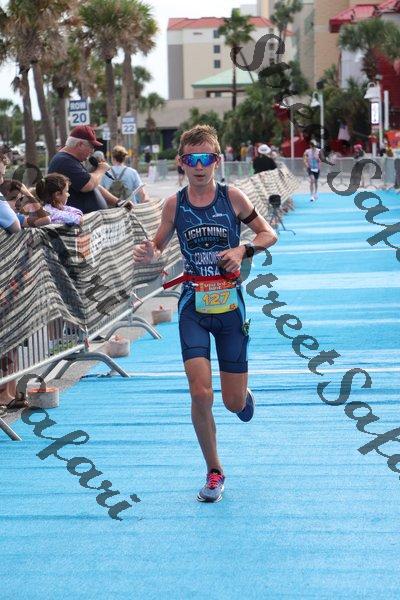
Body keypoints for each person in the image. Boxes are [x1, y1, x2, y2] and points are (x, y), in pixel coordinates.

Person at [133, 125, 277, 503]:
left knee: (232, 403)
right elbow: (158, 245)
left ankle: (242, 397)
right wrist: (150, 254)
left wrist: (243, 250)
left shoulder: (233, 197)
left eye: (206, 158)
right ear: (181, 163)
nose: (199, 166)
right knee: (200, 393)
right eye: (192, 159)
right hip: (193, 305)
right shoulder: (174, 204)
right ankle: (214, 470)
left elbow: (268, 234)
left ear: (218, 161)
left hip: (230, 307)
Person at [47, 125, 119, 214]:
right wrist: (101, 170)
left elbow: (94, 185)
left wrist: (117, 202)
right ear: (80, 144)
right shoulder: (65, 161)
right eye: (91, 147)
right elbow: (88, 184)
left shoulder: (71, 160)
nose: (92, 151)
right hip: (76, 220)